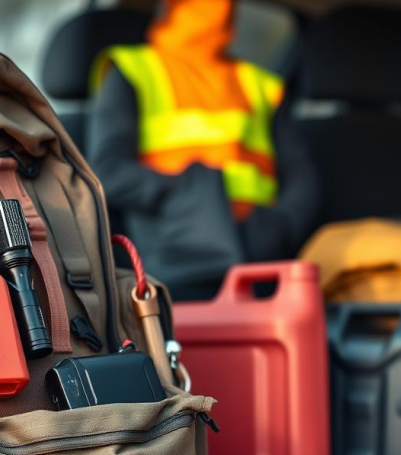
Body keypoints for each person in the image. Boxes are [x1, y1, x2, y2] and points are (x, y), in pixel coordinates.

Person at [88, 0, 321, 299]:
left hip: (264, 266)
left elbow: (302, 177)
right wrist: (193, 197)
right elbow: (109, 172)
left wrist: (281, 226)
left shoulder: (261, 85)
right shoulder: (134, 71)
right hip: (177, 267)